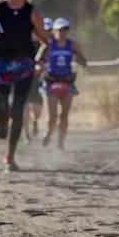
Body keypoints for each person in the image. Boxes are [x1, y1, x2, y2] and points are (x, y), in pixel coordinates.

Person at [0, 0, 50, 171]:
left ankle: (10, 156)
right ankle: (1, 121)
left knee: (18, 110)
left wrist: (40, 59)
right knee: (1, 108)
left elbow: (46, 41)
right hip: (2, 64)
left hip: (24, 65)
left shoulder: (32, 13)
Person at [36, 18, 86, 149]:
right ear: (54, 31)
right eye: (60, 30)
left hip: (67, 81)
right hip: (51, 81)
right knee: (52, 117)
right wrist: (41, 65)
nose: (62, 32)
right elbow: (38, 60)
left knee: (64, 115)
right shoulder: (48, 45)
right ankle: (48, 133)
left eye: (65, 29)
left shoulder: (73, 45)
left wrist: (78, 57)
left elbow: (84, 61)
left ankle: (61, 141)